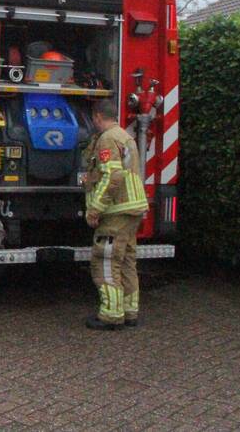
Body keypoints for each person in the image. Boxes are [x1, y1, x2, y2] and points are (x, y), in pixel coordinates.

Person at [81, 99, 149, 330]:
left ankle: (111, 316)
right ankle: (130, 312)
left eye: (94, 118)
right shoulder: (125, 136)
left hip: (117, 211)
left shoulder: (108, 139)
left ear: (98, 117)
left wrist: (95, 208)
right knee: (127, 260)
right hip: (133, 208)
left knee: (106, 260)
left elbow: (113, 177)